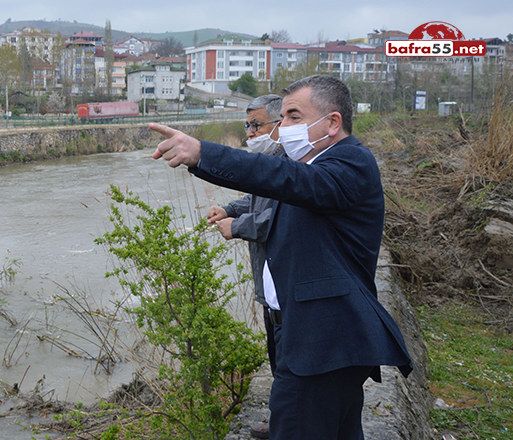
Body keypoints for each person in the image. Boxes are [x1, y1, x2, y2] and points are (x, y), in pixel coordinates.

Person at [149, 75, 412, 440]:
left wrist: (203, 153)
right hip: (311, 335)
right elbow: (275, 191)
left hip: (323, 342)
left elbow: (283, 178)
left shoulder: (349, 164)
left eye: (293, 117)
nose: (283, 128)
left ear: (332, 123)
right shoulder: (315, 166)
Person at [206, 94, 284, 439]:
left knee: (287, 357)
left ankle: (284, 422)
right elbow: (254, 201)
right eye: (247, 126)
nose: (251, 133)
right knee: (277, 354)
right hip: (270, 286)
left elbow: (278, 219)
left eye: (257, 125)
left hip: (283, 282)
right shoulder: (269, 163)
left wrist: (236, 227)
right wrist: (229, 209)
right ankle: (280, 418)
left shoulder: (290, 164)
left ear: (280, 125)